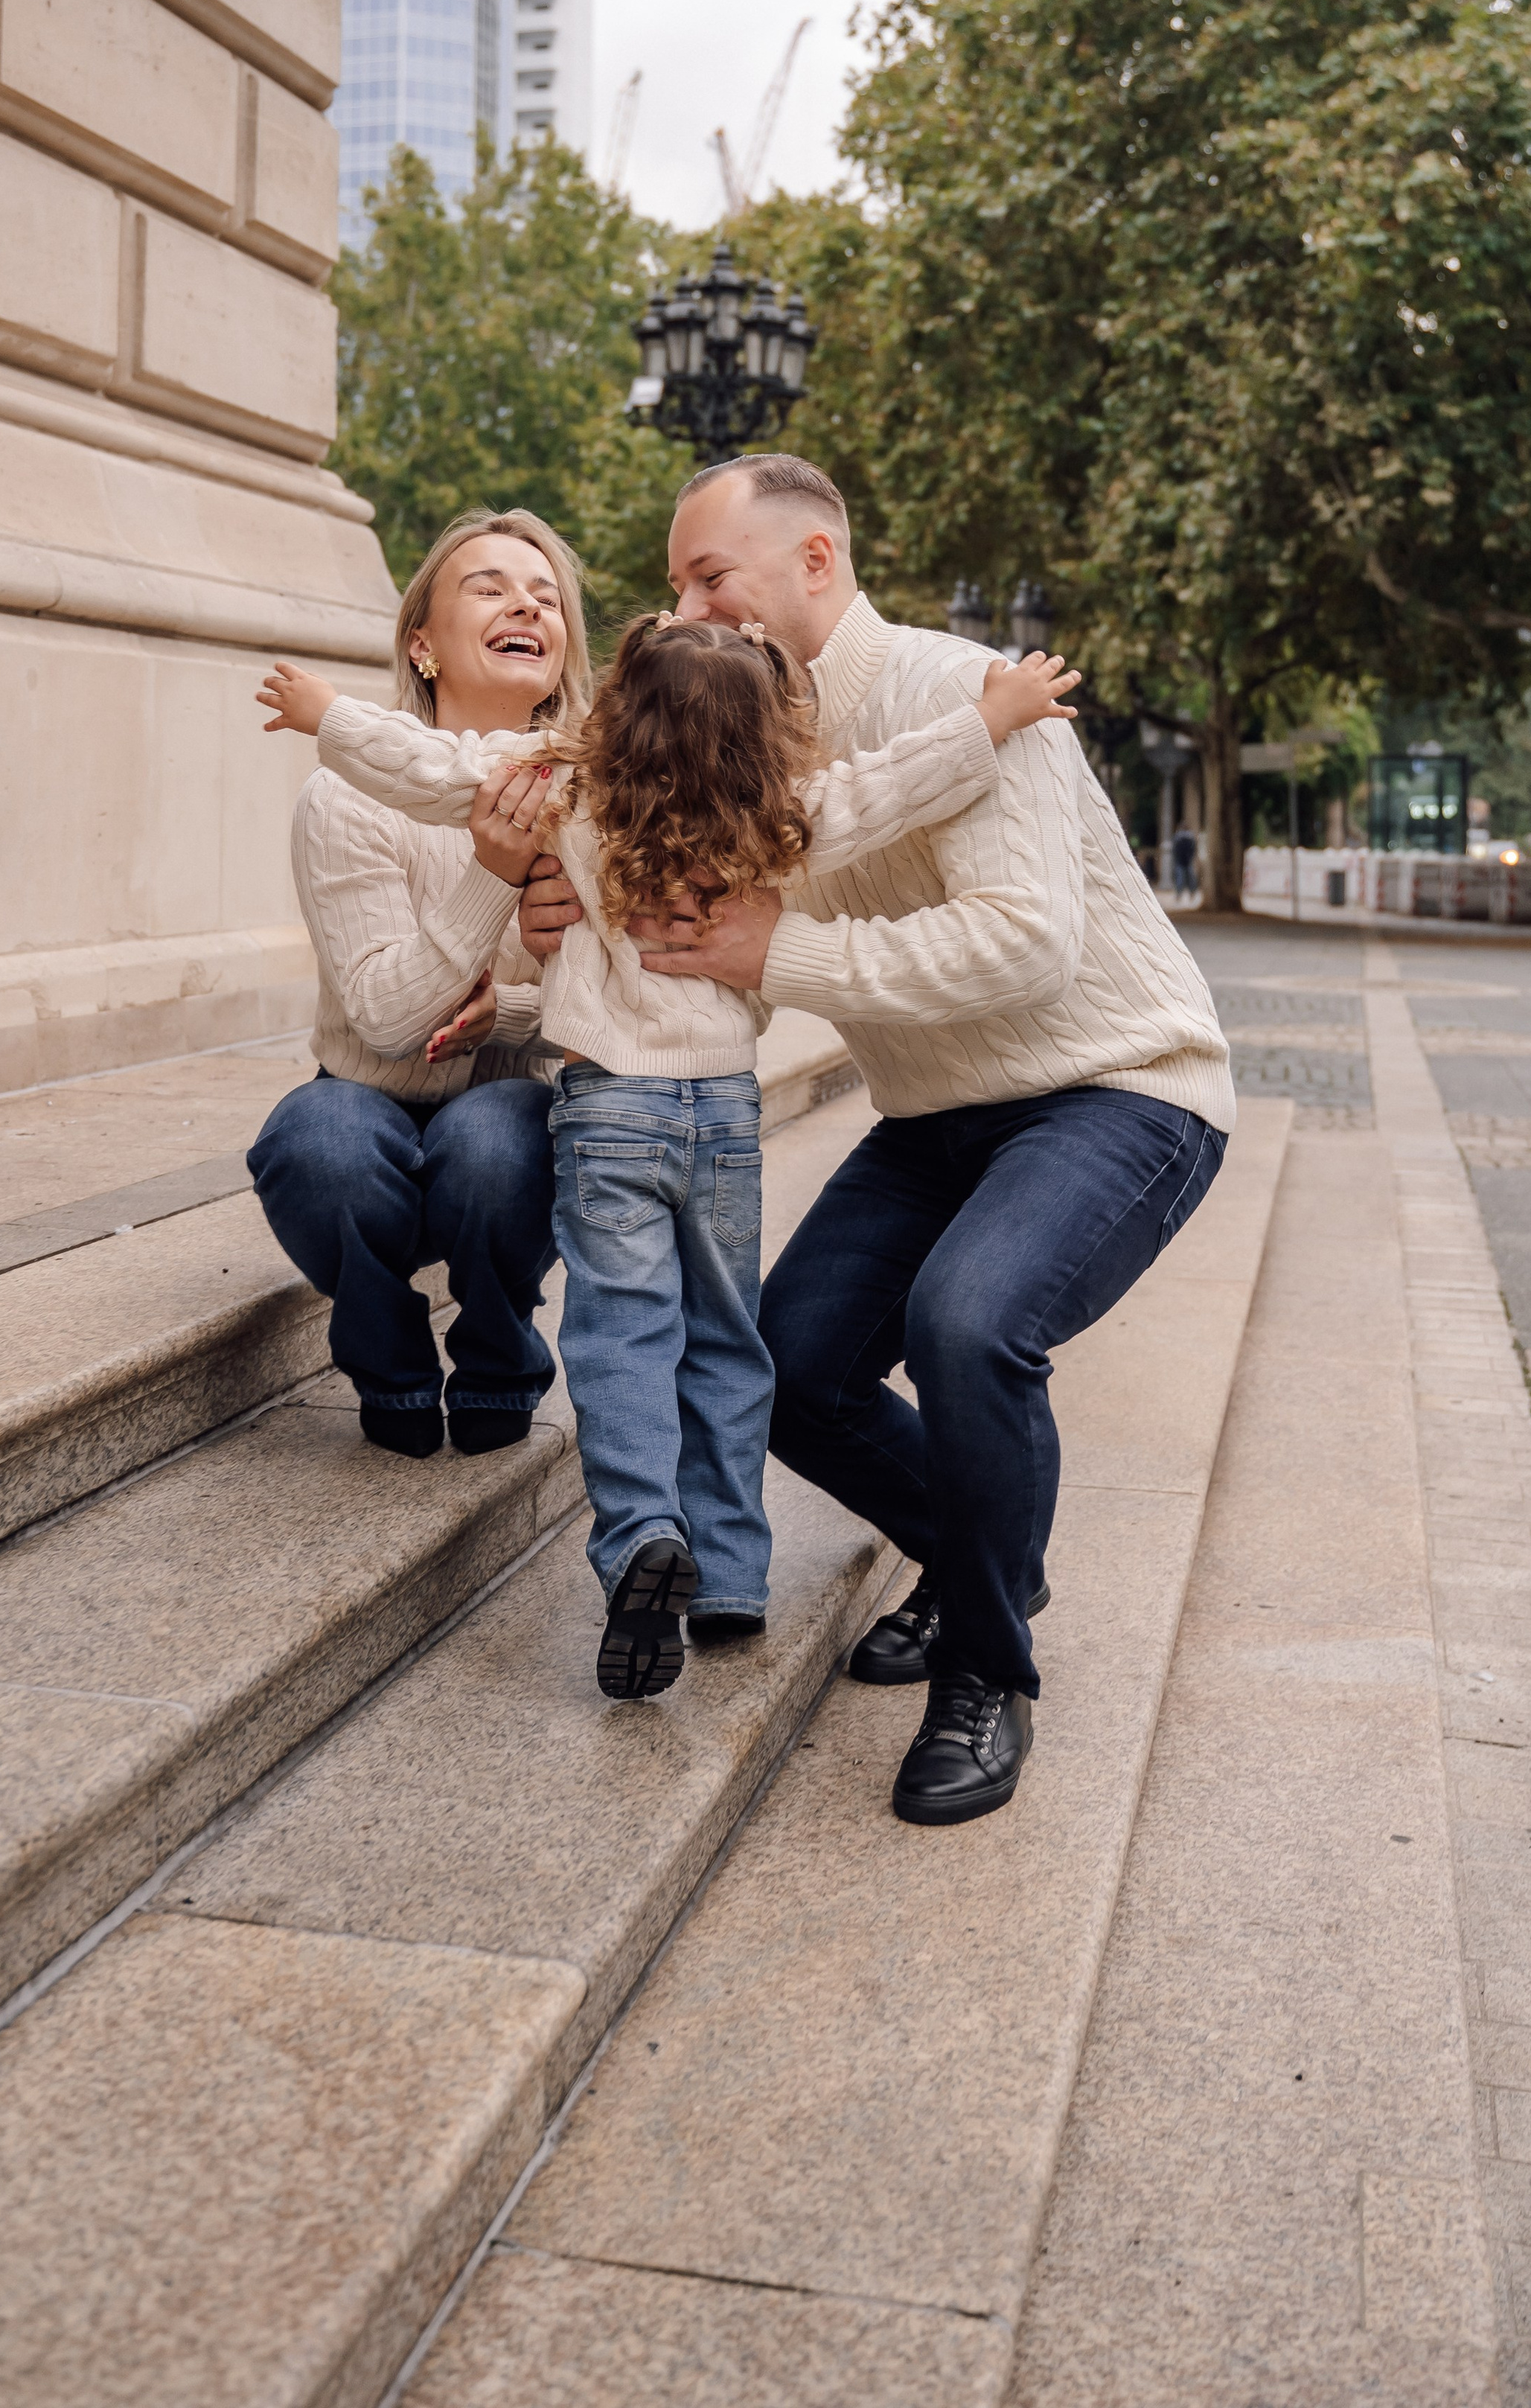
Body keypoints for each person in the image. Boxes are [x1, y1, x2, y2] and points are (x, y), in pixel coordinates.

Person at [520, 453, 1235, 1824]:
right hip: (933, 1115)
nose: (691, 608)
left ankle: (985, 1669)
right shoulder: (729, 728)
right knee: (792, 1368)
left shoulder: (956, 692)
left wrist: (776, 952)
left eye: (709, 576)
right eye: (677, 588)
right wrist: (535, 934)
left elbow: (1027, 944)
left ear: (817, 559)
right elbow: (658, 933)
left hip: (1119, 1085)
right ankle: (979, 1563)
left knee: (969, 1322)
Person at [259, 615, 1079, 1703]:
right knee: (728, 1342)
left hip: (609, 1113)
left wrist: (323, 713)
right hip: (723, 1116)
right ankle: (732, 1571)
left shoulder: (565, 789)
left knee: (622, 1340)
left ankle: (643, 1532)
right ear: (761, 733)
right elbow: (890, 787)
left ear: (615, 709)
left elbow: (425, 765)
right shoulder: (776, 816)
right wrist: (990, 716)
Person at [245, 509, 589, 1463]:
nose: (526, 604)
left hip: (507, 1105)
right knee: (317, 1143)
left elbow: (620, 1005)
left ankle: (498, 1362)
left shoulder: (593, 797)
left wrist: (507, 1012)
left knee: (499, 1139)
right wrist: (494, 872)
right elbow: (390, 1019)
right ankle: (388, 1365)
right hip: (367, 1094)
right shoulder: (348, 791)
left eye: (546, 596)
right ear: (422, 645)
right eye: (489, 586)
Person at [1171, 824, 1200, 902]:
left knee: (1180, 879)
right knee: (1191, 879)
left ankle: (1179, 895)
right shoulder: (1190, 838)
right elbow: (1193, 850)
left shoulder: (1177, 838)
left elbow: (1175, 850)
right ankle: (1191, 894)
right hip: (1188, 861)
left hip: (1180, 861)